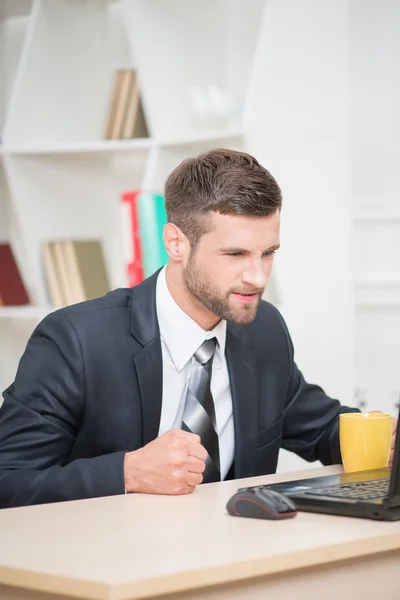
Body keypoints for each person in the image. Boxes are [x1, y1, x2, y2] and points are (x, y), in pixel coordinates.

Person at [0, 149, 396, 508]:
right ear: (176, 243)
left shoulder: (264, 328)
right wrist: (126, 473)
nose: (257, 277)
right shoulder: (77, 340)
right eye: (235, 254)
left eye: (268, 253)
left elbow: (321, 428)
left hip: (231, 564)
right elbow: (9, 480)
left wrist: (387, 441)